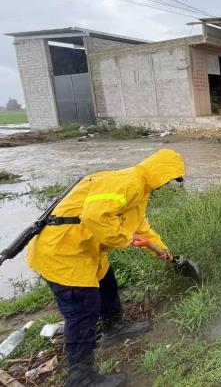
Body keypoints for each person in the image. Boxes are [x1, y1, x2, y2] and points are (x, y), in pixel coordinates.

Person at [27, 149, 186, 387]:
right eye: (169, 178)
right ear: (159, 171)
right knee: (82, 309)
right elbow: (94, 216)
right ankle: (81, 377)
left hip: (85, 250)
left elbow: (140, 228)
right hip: (62, 252)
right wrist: (123, 238)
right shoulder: (129, 182)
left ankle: (114, 326)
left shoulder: (138, 189)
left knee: (107, 283)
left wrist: (163, 252)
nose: (167, 184)